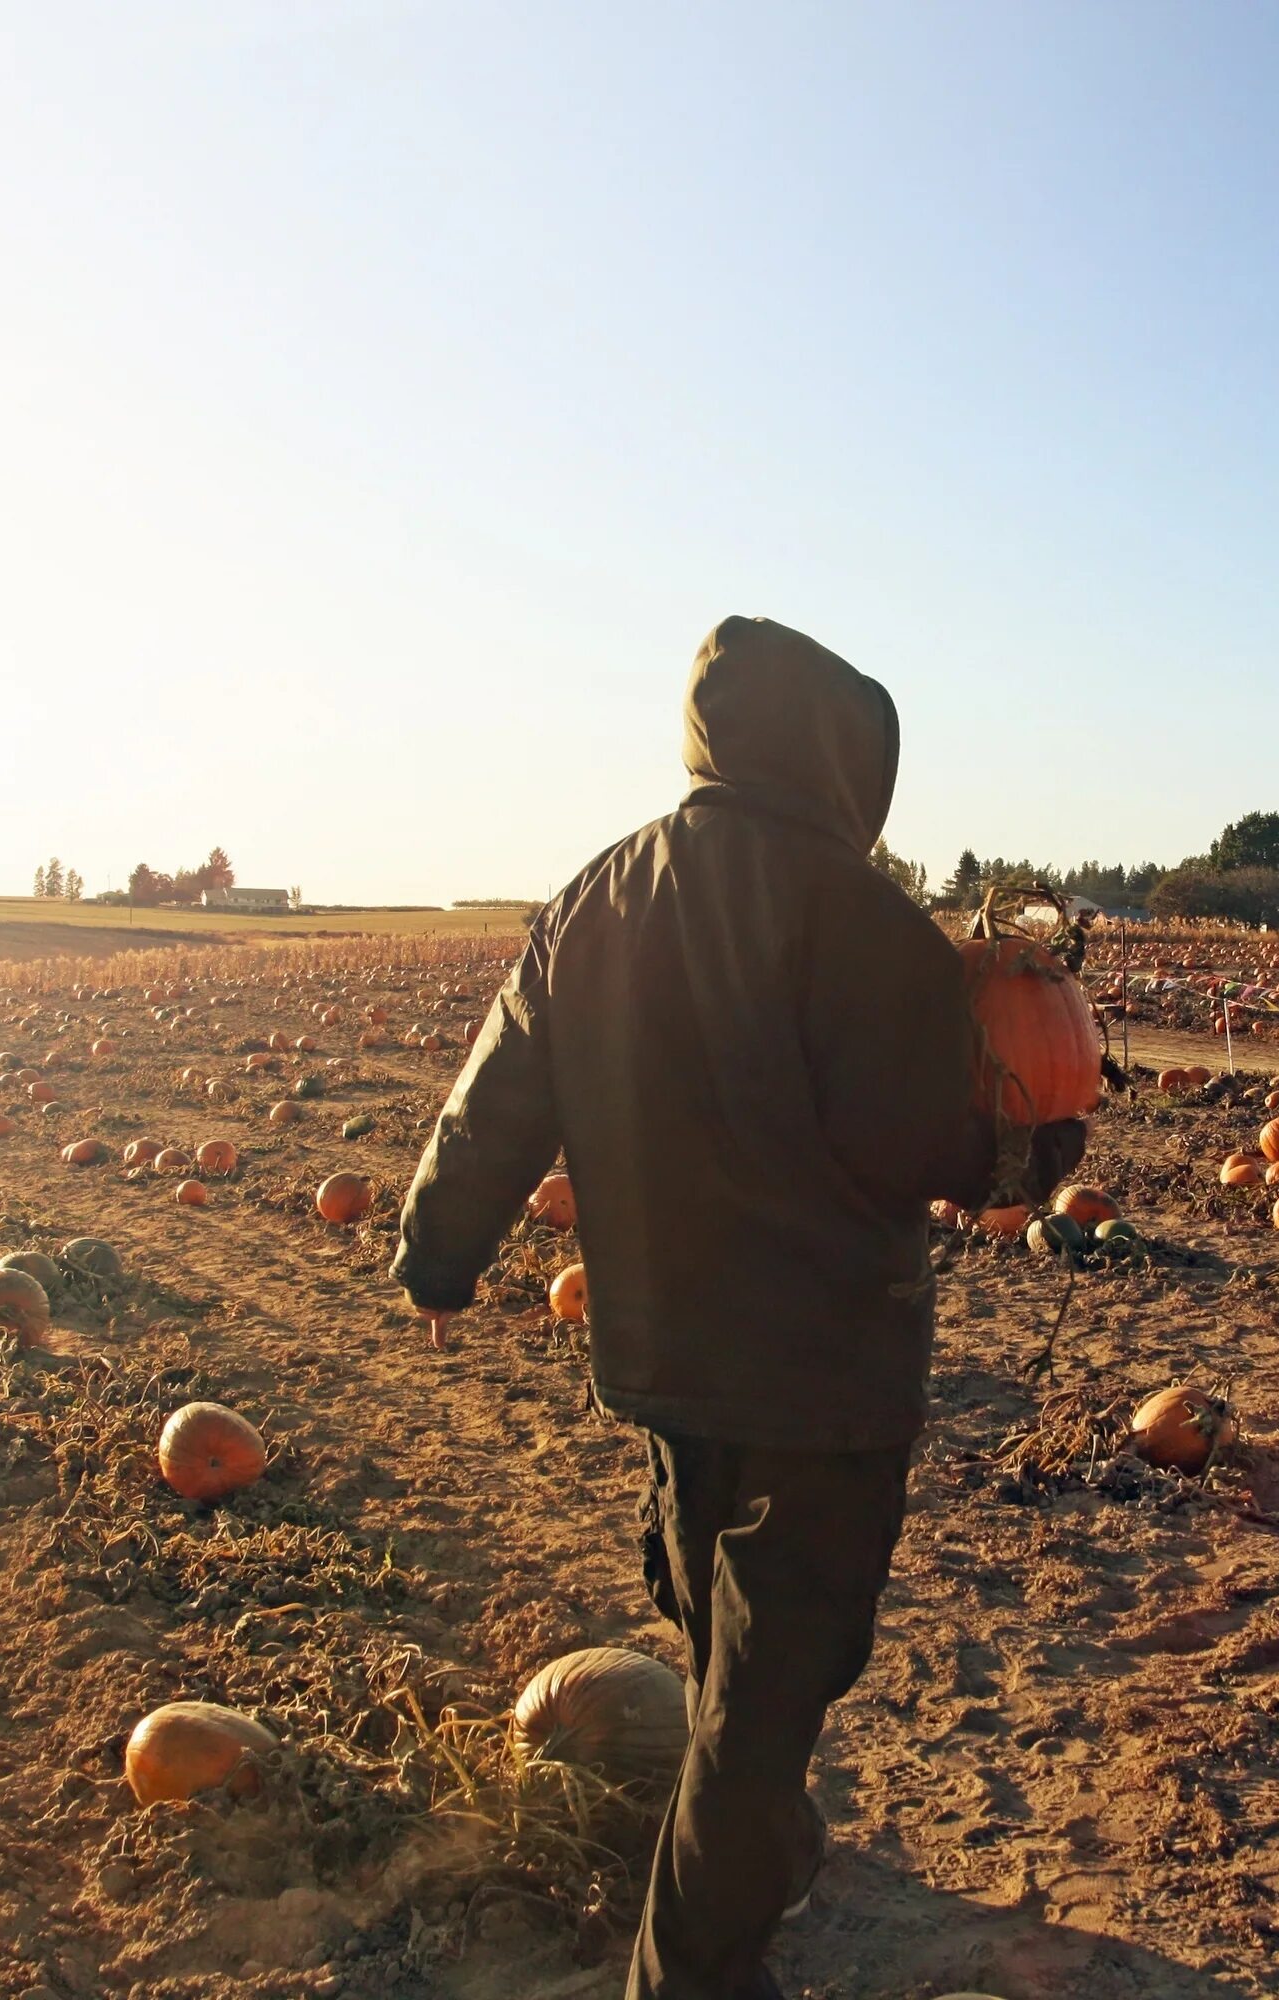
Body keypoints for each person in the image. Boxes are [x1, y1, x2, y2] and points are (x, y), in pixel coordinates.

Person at [391, 615, 1087, 2000]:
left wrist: (438, 1254)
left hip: (665, 1354)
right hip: (825, 1374)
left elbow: (500, 1092)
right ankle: (692, 1973)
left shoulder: (598, 894)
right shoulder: (862, 918)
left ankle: (760, 1855)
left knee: (729, 1651)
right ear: (839, 758)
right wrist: (1034, 1149)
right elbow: (924, 1144)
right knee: (767, 1700)